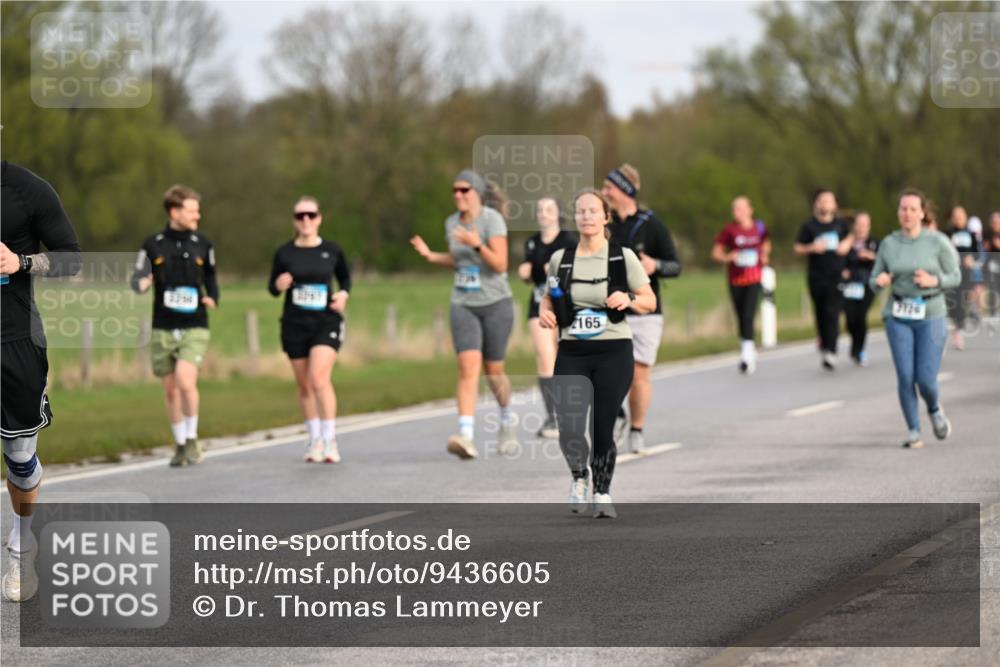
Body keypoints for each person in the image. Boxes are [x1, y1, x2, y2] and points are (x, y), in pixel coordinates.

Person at [538, 189, 656, 518]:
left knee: (602, 425)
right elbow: (549, 298)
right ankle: (579, 477)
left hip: (614, 350)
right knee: (570, 426)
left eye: (593, 211)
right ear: (575, 219)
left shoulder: (622, 256)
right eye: (581, 212)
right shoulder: (562, 259)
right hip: (573, 350)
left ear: (606, 217)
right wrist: (546, 312)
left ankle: (602, 492)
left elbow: (650, 300)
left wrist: (629, 300)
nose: (587, 216)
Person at [1, 161, 82, 601]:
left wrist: (21, 261)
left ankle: (21, 548)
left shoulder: (27, 189)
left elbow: (71, 258)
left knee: (19, 456)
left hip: (13, 342)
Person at [410, 170, 518, 460]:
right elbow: (458, 260)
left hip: (496, 302)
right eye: (455, 191)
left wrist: (477, 244)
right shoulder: (451, 223)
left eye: (464, 190)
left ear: (477, 193)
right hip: (463, 302)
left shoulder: (491, 220)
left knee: (493, 371)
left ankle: (507, 418)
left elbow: (500, 264)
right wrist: (432, 256)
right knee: (467, 367)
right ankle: (466, 436)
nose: (458, 195)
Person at [130, 185, 219, 467]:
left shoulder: (203, 243)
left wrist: (212, 297)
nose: (197, 215)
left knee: (185, 380)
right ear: (174, 211)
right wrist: (142, 283)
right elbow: (138, 277)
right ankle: (180, 443)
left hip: (195, 323)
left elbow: (212, 277)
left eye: (197, 210)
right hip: (163, 325)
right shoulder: (152, 244)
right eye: (192, 211)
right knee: (170, 389)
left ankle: (193, 438)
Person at [870, 188, 960, 449]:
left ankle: (933, 408)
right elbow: (874, 280)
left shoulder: (937, 241)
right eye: (903, 209)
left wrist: (935, 280)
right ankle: (913, 429)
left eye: (912, 209)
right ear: (898, 213)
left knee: (926, 379)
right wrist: (880, 280)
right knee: (905, 375)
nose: (907, 213)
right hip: (898, 315)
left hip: (931, 313)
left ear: (922, 213)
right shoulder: (889, 243)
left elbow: (956, 276)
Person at [601, 164, 681, 454]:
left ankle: (636, 429)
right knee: (604, 372)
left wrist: (655, 265)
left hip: (645, 311)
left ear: (624, 191)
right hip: (609, 310)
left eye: (609, 187)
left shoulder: (651, 224)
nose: (604, 191)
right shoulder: (603, 223)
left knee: (638, 374)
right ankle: (617, 415)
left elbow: (675, 265)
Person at [268, 196, 351, 463]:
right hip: (295, 324)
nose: (306, 220)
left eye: (311, 215)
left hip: (325, 321)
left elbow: (345, 278)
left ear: (319, 218)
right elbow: (272, 287)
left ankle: (330, 439)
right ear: (294, 220)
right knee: (304, 385)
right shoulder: (285, 253)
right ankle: (314, 438)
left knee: (318, 379)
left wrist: (344, 295)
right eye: (300, 216)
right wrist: (279, 285)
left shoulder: (332, 250)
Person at [517, 197, 576, 438]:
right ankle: (554, 417)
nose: (543, 213)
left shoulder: (568, 240)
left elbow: (577, 270)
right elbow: (528, 274)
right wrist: (525, 273)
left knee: (570, 358)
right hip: (540, 304)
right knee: (545, 357)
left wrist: (557, 270)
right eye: (539, 209)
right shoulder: (532, 243)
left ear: (558, 214)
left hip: (568, 304)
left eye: (548, 209)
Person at [794, 189, 853, 370]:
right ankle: (824, 341)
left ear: (835, 205)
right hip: (816, 275)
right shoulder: (809, 226)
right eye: (821, 200)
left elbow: (851, 237)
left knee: (832, 312)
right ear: (815, 204)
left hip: (836, 275)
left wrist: (845, 245)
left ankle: (831, 350)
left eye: (828, 200)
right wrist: (811, 247)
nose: (824, 204)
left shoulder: (841, 225)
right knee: (820, 312)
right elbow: (797, 248)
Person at [711, 196, 771, 374]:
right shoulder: (730, 230)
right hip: (736, 279)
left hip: (754, 277)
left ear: (750, 209)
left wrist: (765, 255)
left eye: (741, 208)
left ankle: (746, 353)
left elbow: (766, 242)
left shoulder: (759, 227)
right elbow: (716, 252)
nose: (738, 212)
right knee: (740, 314)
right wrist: (728, 257)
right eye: (735, 209)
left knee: (748, 314)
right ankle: (748, 347)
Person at [841, 212, 880, 365]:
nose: (862, 228)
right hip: (850, 284)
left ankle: (859, 350)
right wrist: (844, 270)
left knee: (861, 316)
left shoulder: (875, 242)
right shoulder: (848, 241)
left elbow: (884, 260)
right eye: (859, 224)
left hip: (867, 283)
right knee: (850, 318)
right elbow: (839, 257)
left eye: (865, 225)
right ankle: (855, 343)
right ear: (854, 226)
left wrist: (871, 257)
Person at [944, 206, 980, 350]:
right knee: (953, 302)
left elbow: (977, 252)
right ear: (952, 218)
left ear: (965, 218)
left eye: (961, 216)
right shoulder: (947, 234)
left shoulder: (971, 235)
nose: (958, 219)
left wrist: (972, 258)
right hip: (951, 273)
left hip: (966, 274)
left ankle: (959, 329)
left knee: (962, 301)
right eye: (956, 216)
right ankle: (956, 329)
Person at [986, 211, 1000, 317]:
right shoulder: (988, 234)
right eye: (993, 222)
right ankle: (992, 311)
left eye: (997, 222)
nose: (995, 224)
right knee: (992, 287)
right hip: (992, 264)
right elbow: (984, 248)